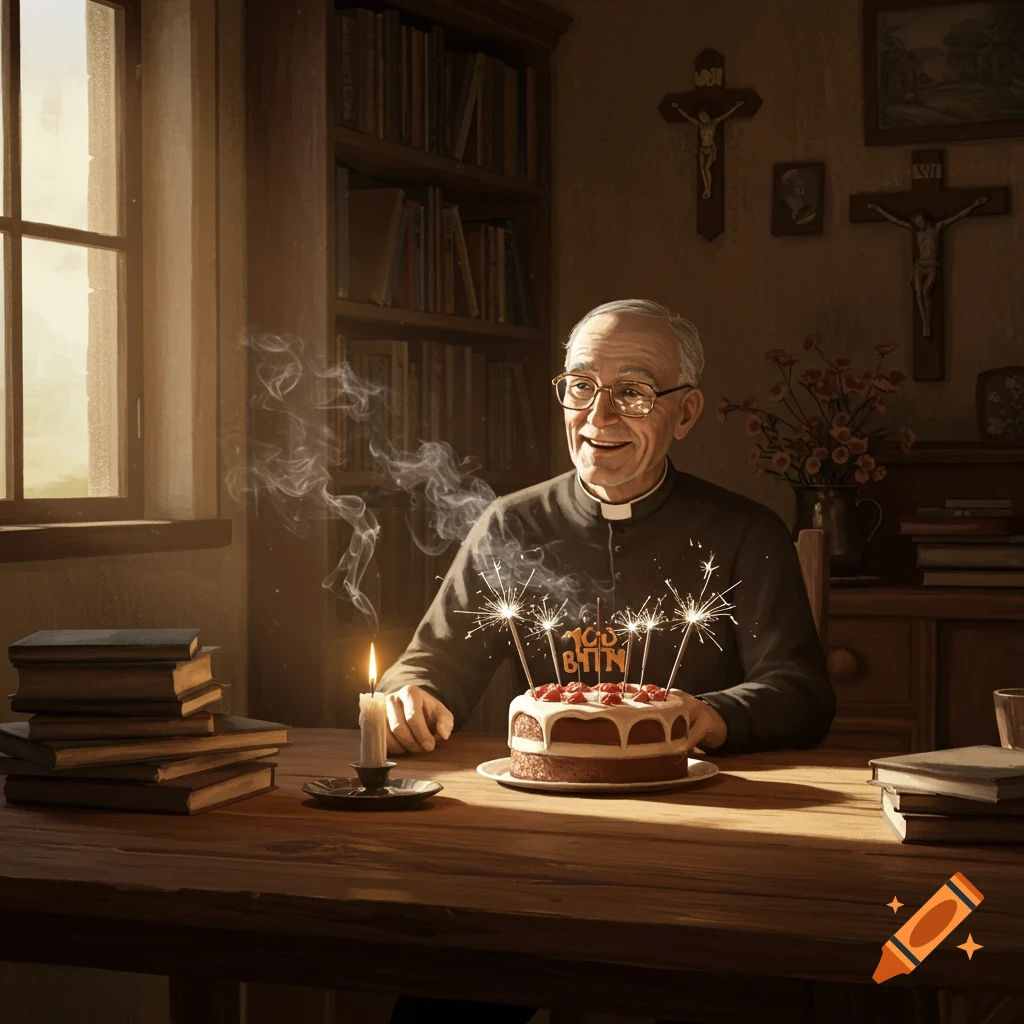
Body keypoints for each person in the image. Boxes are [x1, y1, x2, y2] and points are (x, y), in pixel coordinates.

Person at [377, 299, 836, 1024]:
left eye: (633, 390)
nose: (600, 414)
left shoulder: (747, 533)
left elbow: (801, 692)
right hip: (530, 846)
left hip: (705, 846)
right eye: (581, 385)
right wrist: (409, 696)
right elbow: (431, 665)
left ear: (684, 414)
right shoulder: (510, 525)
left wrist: (704, 715)